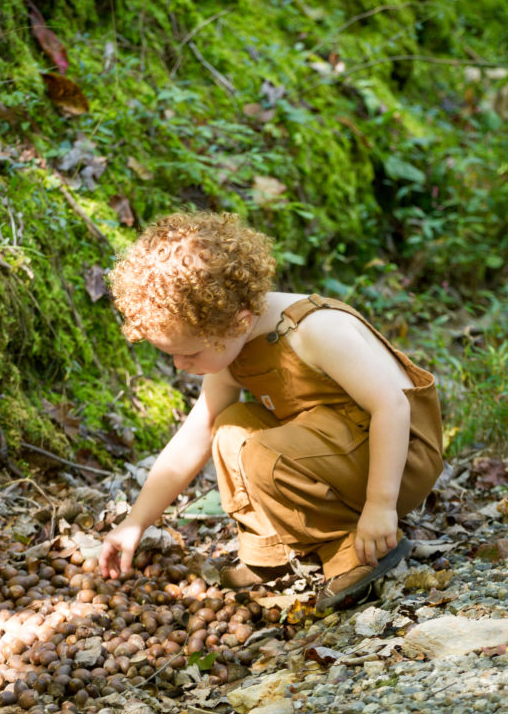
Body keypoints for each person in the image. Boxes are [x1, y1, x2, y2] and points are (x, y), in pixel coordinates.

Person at [99, 211, 443, 609]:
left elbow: (392, 407)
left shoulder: (313, 330)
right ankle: (272, 552)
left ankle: (354, 550)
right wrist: (135, 522)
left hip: (401, 459)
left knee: (264, 453)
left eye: (188, 354)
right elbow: (194, 437)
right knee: (229, 429)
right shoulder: (234, 342)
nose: (180, 366)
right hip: (341, 450)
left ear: (238, 322)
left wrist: (380, 506)